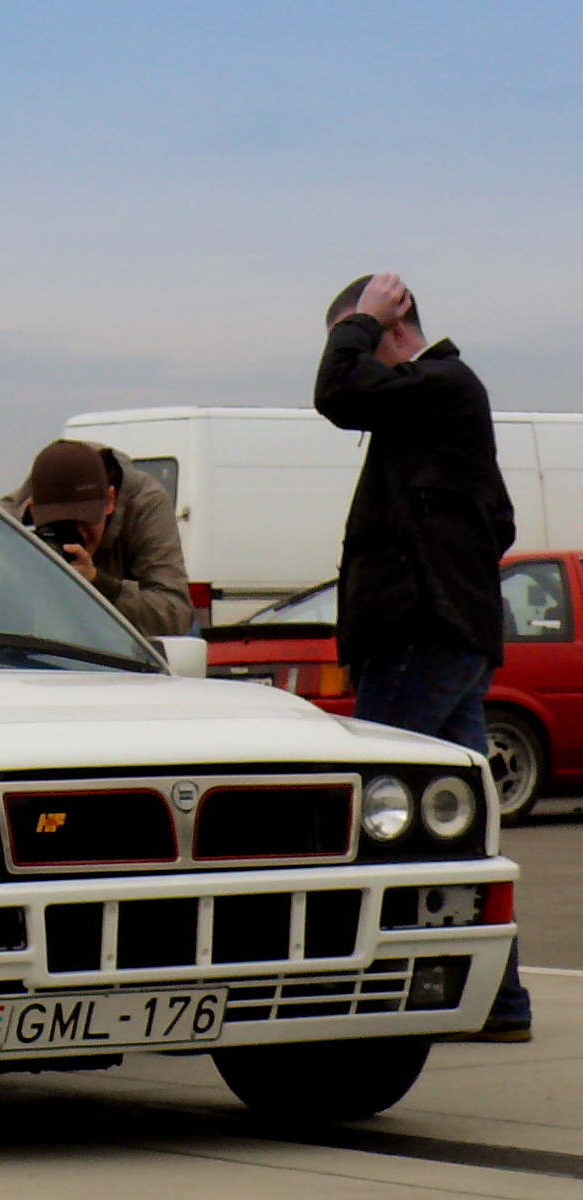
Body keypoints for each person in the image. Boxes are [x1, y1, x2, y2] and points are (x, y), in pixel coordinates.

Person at [316, 271, 531, 1041]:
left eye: (364, 336)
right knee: (458, 832)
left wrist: (361, 321)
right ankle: (502, 1003)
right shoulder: (442, 409)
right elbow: (499, 521)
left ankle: (344, 992)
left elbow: (336, 395)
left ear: (394, 325)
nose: (355, 355)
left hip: (422, 636)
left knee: (373, 810)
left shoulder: (442, 384)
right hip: (451, 635)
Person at [0, 439, 192, 636]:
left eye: (85, 520)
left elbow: (175, 617)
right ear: (34, 510)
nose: (76, 535)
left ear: (110, 500)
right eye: (61, 524)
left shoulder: (145, 507)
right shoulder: (8, 522)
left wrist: (98, 583)